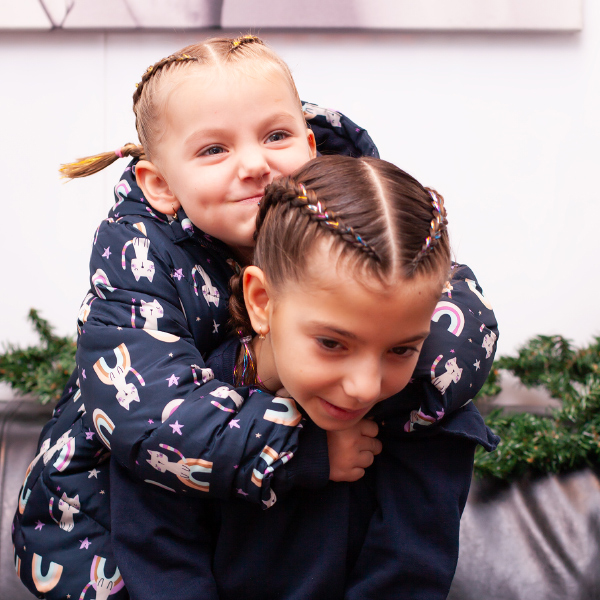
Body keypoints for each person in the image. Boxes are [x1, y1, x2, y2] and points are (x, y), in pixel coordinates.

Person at [12, 34, 498, 600]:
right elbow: (149, 417)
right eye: (213, 150)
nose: (254, 164)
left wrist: (406, 376)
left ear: (311, 145)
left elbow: (454, 311)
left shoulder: (352, 218)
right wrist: (303, 447)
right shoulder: (138, 253)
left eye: (276, 136)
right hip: (108, 517)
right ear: (161, 184)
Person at [110, 156, 499, 600]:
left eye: (401, 349)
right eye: (332, 343)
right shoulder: (179, 419)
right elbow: (161, 568)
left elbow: (408, 577)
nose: (365, 387)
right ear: (262, 302)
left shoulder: (426, 419)